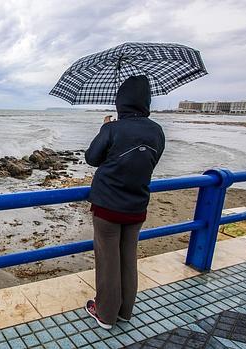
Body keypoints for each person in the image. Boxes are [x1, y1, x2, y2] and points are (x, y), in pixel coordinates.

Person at [83, 75, 165, 329]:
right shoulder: (157, 131)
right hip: (137, 205)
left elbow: (92, 158)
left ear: (122, 102)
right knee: (128, 258)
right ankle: (125, 311)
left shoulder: (112, 129)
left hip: (108, 206)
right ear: (146, 101)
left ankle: (105, 314)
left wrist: (105, 128)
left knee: (107, 260)